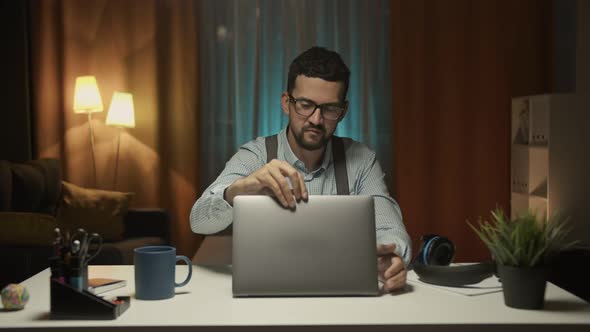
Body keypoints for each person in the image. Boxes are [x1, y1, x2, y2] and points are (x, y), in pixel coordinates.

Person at [190, 46, 411, 293]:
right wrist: (236, 190)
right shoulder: (256, 155)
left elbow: (389, 227)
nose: (316, 119)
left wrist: (389, 256)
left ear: (343, 111)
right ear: (287, 103)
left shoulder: (361, 160)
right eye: (305, 104)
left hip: (340, 294)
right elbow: (198, 221)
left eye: (329, 109)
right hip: (267, 293)